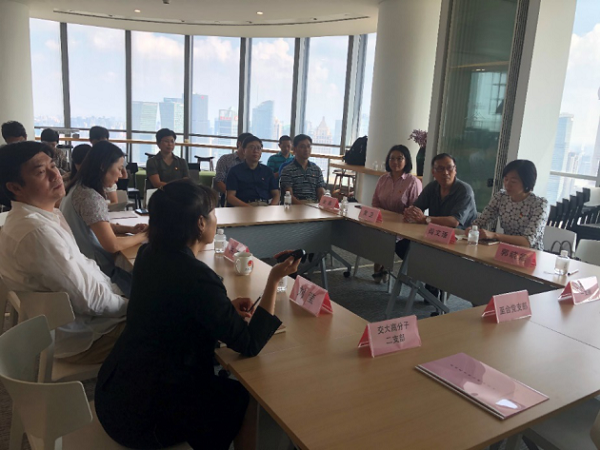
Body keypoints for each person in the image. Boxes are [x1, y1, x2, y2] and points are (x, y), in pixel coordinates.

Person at [95, 180, 300, 450]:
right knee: (243, 395)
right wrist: (274, 279)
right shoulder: (198, 277)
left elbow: (173, 306)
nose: (216, 219)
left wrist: (222, 307)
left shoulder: (148, 254)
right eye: (213, 213)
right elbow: (250, 344)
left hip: (116, 391)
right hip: (147, 416)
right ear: (200, 223)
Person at [0, 141, 127, 364]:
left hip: (77, 324)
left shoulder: (43, 217)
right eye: (41, 172)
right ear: (15, 188)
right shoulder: (36, 232)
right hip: (85, 336)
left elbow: (85, 271)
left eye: (53, 165)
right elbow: (90, 300)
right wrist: (131, 304)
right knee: (172, 325)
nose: (56, 175)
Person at [61, 141, 148, 296]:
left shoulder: (77, 188)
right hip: (98, 271)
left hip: (83, 264)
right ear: (103, 166)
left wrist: (129, 229)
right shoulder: (90, 196)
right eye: (119, 168)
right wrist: (144, 235)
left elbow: (96, 224)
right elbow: (112, 245)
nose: (121, 175)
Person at [468, 160, 548, 250]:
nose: (507, 184)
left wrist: (495, 235)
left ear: (527, 182)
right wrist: (472, 229)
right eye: (506, 179)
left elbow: (527, 242)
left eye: (513, 181)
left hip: (531, 253)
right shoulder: (501, 197)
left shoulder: (540, 204)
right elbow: (480, 222)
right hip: (506, 250)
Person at [371, 145, 422, 283]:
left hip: (402, 228)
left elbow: (414, 211)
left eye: (400, 158)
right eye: (392, 158)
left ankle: (382, 265)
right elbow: (375, 203)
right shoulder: (383, 179)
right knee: (369, 235)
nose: (395, 162)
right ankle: (382, 264)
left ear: (407, 160)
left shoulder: (413, 182)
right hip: (382, 224)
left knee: (386, 239)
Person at [226, 135, 280, 207]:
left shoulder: (267, 171)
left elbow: (276, 194)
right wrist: (249, 208)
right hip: (243, 207)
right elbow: (230, 197)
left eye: (258, 148)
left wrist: (271, 208)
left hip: (265, 206)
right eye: (252, 147)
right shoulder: (235, 171)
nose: (255, 151)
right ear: (244, 151)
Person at [280, 134, 326, 204]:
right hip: (295, 206)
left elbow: (321, 192)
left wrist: (321, 206)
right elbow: (289, 195)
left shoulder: (316, 169)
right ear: (295, 149)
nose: (306, 149)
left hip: (313, 204)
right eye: (302, 147)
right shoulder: (287, 170)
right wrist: (303, 207)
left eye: (308, 146)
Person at [214, 132, 253, 203]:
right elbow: (219, 181)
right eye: (248, 146)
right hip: (230, 197)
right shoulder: (225, 159)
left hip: (251, 198)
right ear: (239, 144)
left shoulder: (253, 162)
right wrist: (232, 194)